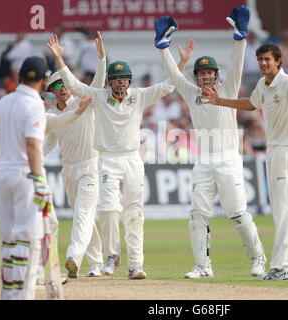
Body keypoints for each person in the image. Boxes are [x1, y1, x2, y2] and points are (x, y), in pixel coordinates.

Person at [46, 32, 191, 280]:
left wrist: (183, 63)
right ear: (110, 82)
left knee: (134, 213)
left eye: (124, 79)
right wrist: (59, 59)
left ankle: (136, 265)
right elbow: (73, 85)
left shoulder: (139, 96)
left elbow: (169, 85)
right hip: (107, 161)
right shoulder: (99, 98)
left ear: (129, 81)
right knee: (108, 209)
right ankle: (112, 255)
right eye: (116, 79)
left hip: (133, 160)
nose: (121, 83)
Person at [156, 6, 267, 279]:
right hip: (203, 161)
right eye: (202, 74)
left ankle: (258, 259)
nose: (206, 77)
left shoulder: (227, 90)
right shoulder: (191, 93)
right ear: (197, 77)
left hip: (228, 159)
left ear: (217, 75)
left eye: (210, 73)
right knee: (198, 216)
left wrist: (240, 40)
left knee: (238, 215)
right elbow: (173, 75)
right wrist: (162, 49)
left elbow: (237, 66)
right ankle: (203, 266)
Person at [203, 43, 288, 281]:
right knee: (282, 209)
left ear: (278, 61)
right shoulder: (262, 85)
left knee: (285, 209)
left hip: (287, 150)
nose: (263, 63)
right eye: (260, 60)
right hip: (274, 150)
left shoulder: (286, 82)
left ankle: (281, 266)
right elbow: (251, 104)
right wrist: (220, 101)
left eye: (267, 59)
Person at [0, 56, 52, 300]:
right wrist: (39, 181)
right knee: (24, 237)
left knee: (8, 239)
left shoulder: (3, 102)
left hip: (3, 173)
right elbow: (32, 145)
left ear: (20, 76)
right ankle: (18, 296)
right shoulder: (35, 105)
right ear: (43, 80)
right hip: (25, 174)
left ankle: (8, 293)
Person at [43, 31, 107, 279]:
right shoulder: (52, 113)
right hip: (68, 170)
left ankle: (73, 257)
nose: (62, 89)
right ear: (52, 90)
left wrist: (101, 58)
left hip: (90, 166)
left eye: (64, 84)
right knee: (86, 217)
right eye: (56, 86)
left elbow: (99, 84)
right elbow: (48, 144)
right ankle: (97, 263)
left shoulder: (84, 99)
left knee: (82, 213)